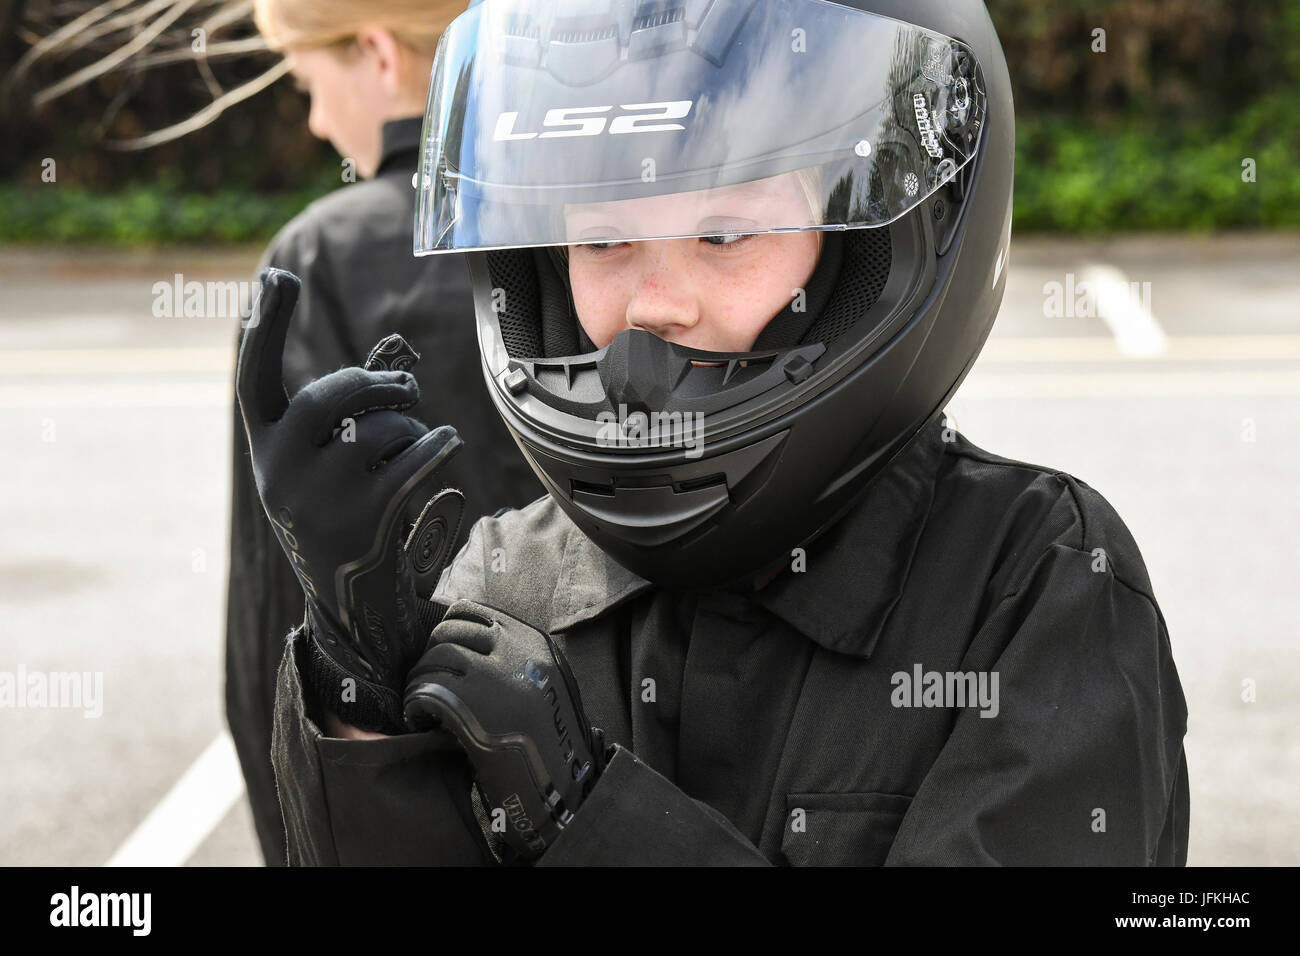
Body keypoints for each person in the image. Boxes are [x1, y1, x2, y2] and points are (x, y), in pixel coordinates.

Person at [236, 0, 1190, 865]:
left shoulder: (1034, 587)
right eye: (603, 239)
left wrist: (590, 822)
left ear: (869, 248)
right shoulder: (503, 586)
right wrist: (358, 682)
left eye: (726, 233)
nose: (654, 306)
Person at [225, 0, 541, 867]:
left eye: (306, 84)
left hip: (407, 781)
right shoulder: (574, 219)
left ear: (376, 54)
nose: (319, 120)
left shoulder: (319, 253)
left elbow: (270, 632)